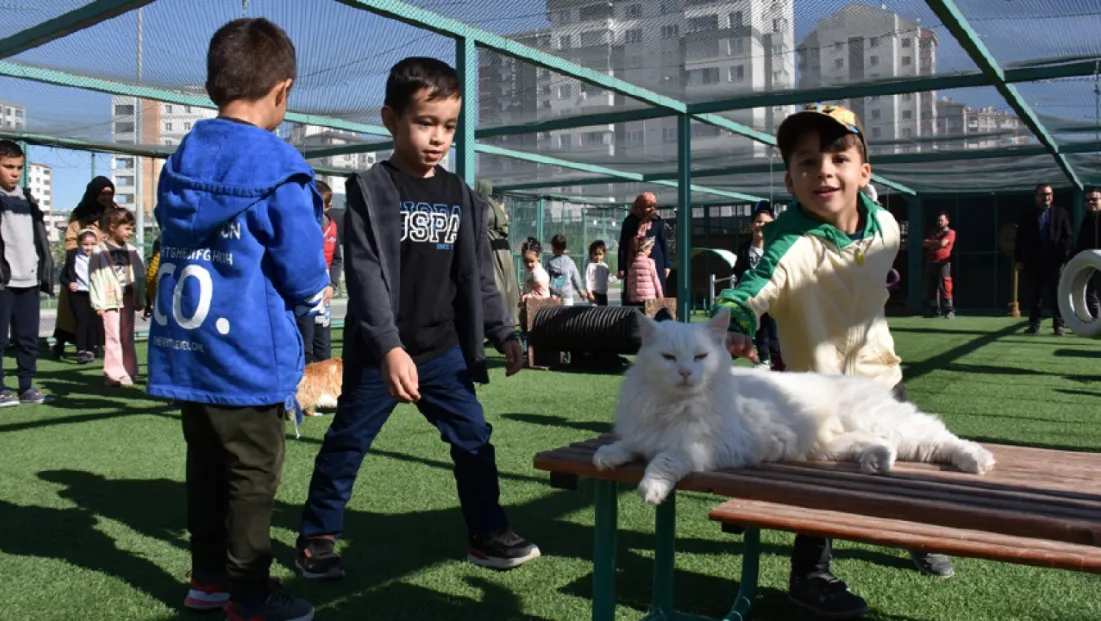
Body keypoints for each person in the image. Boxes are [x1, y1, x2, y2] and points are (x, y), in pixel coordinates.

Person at [295, 56, 536, 581]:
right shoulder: (371, 190)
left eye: (448, 126)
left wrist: (504, 330)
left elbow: (479, 277)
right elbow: (365, 275)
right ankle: (317, 534)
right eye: (425, 122)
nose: (438, 137)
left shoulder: (463, 200)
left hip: (442, 351)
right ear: (391, 120)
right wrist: (388, 347)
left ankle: (487, 532)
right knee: (346, 443)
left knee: (474, 436)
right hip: (380, 353)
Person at [714, 104, 954, 619]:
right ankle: (810, 575)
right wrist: (734, 323)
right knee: (822, 486)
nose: (823, 170)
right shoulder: (788, 243)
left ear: (864, 174)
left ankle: (915, 532)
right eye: (806, 162)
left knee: (911, 460)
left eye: (838, 157)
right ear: (790, 180)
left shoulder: (886, 227)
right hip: (819, 394)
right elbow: (752, 289)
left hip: (881, 378)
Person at [146, 18, 329, 621]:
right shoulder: (281, 166)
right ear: (283, 89)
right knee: (253, 476)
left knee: (205, 469)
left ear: (211, 86)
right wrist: (311, 302)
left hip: (185, 352)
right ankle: (249, 593)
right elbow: (304, 272)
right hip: (247, 358)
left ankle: (207, 581)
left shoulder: (181, 159)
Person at [0, 139, 53, 406]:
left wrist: (43, 269)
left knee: (28, 337)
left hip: (29, 279)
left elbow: (39, 239)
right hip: (3, 281)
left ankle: (26, 387)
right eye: (8, 166)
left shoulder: (28, 199)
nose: (15, 172)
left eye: (19, 167)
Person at [55, 177, 114, 360]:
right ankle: (61, 343)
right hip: (79, 267)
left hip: (104, 266)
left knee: (99, 309)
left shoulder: (115, 211)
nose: (106, 197)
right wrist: (82, 252)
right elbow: (71, 239)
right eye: (102, 193)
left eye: (109, 193)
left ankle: (95, 344)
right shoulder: (80, 213)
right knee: (73, 312)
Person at [89, 208, 145, 386]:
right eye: (127, 228)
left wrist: (140, 300)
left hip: (127, 298)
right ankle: (113, 374)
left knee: (127, 335)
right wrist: (98, 303)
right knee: (112, 336)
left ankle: (129, 370)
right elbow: (95, 277)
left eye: (131, 229)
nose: (130, 233)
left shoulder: (131, 250)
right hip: (109, 300)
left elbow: (139, 275)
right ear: (113, 227)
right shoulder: (99, 251)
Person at [1014, 183, 1074, 335]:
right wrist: (1018, 260)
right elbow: (1020, 239)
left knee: (1057, 294)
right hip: (1034, 261)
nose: (1046, 197)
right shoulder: (1027, 214)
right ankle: (1034, 325)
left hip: (1055, 261)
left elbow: (1068, 236)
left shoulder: (1061, 213)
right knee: (1035, 295)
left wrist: (1063, 254)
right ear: (1036, 197)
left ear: (1052, 196)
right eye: (1043, 194)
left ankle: (1059, 326)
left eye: (1048, 194)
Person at [733, 202, 783, 371]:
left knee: (774, 328)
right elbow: (739, 270)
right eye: (758, 221)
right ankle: (763, 359)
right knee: (760, 328)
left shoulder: (775, 248)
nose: (761, 225)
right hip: (754, 296)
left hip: (773, 295)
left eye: (766, 222)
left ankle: (777, 358)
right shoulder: (744, 249)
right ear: (751, 225)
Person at [296, 179, 341, 364]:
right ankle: (304, 386)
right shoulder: (298, 227)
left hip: (324, 295)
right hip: (304, 294)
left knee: (323, 344)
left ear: (328, 206)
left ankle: (324, 387)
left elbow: (337, 259)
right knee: (304, 343)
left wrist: (332, 285)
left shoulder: (332, 228)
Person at [618, 192, 670, 304]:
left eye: (653, 206)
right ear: (640, 205)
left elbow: (663, 243)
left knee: (657, 287)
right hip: (635, 262)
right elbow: (623, 244)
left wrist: (667, 265)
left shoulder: (658, 221)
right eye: (647, 206)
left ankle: (658, 317)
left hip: (656, 261)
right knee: (636, 288)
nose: (650, 209)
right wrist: (621, 266)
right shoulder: (629, 222)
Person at [59, 228, 102, 364]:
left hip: (95, 293)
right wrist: (70, 283)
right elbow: (62, 276)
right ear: (78, 244)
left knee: (93, 323)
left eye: (92, 244)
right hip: (78, 294)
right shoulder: (73, 256)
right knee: (81, 321)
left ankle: (91, 349)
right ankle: (80, 351)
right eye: (85, 244)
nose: (88, 248)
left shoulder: (100, 256)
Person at [923, 211, 956, 318]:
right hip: (931, 262)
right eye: (938, 220)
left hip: (943, 263)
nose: (939, 222)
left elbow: (943, 243)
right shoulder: (933, 232)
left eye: (942, 220)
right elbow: (924, 243)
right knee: (931, 286)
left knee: (945, 285)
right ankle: (934, 310)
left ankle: (948, 310)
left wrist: (932, 244)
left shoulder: (950, 232)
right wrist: (937, 244)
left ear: (947, 221)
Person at [1074, 187, 1101, 317]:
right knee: (1090, 293)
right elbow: (1081, 243)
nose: (1091, 202)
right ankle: (1097, 321)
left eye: (1094, 199)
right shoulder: (1086, 220)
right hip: (1089, 264)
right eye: (1088, 200)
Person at [545, 233, 587, 305]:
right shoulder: (570, 262)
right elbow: (575, 277)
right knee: (568, 315)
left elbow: (545, 278)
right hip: (567, 295)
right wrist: (580, 290)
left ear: (553, 248)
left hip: (554, 295)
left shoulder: (550, 263)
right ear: (564, 248)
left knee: (555, 315)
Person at [626, 236, 663, 304]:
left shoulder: (631, 263)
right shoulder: (650, 262)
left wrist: (629, 295)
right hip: (649, 298)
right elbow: (655, 279)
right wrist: (660, 293)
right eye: (650, 249)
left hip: (635, 298)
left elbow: (629, 281)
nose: (650, 251)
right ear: (644, 249)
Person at [585, 240, 611, 306]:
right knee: (593, 312)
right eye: (595, 254)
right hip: (594, 293)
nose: (597, 257)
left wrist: (616, 277)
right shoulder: (590, 266)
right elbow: (587, 280)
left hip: (603, 294)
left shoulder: (605, 266)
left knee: (603, 312)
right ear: (591, 254)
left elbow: (609, 278)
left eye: (600, 254)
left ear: (604, 254)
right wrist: (589, 292)